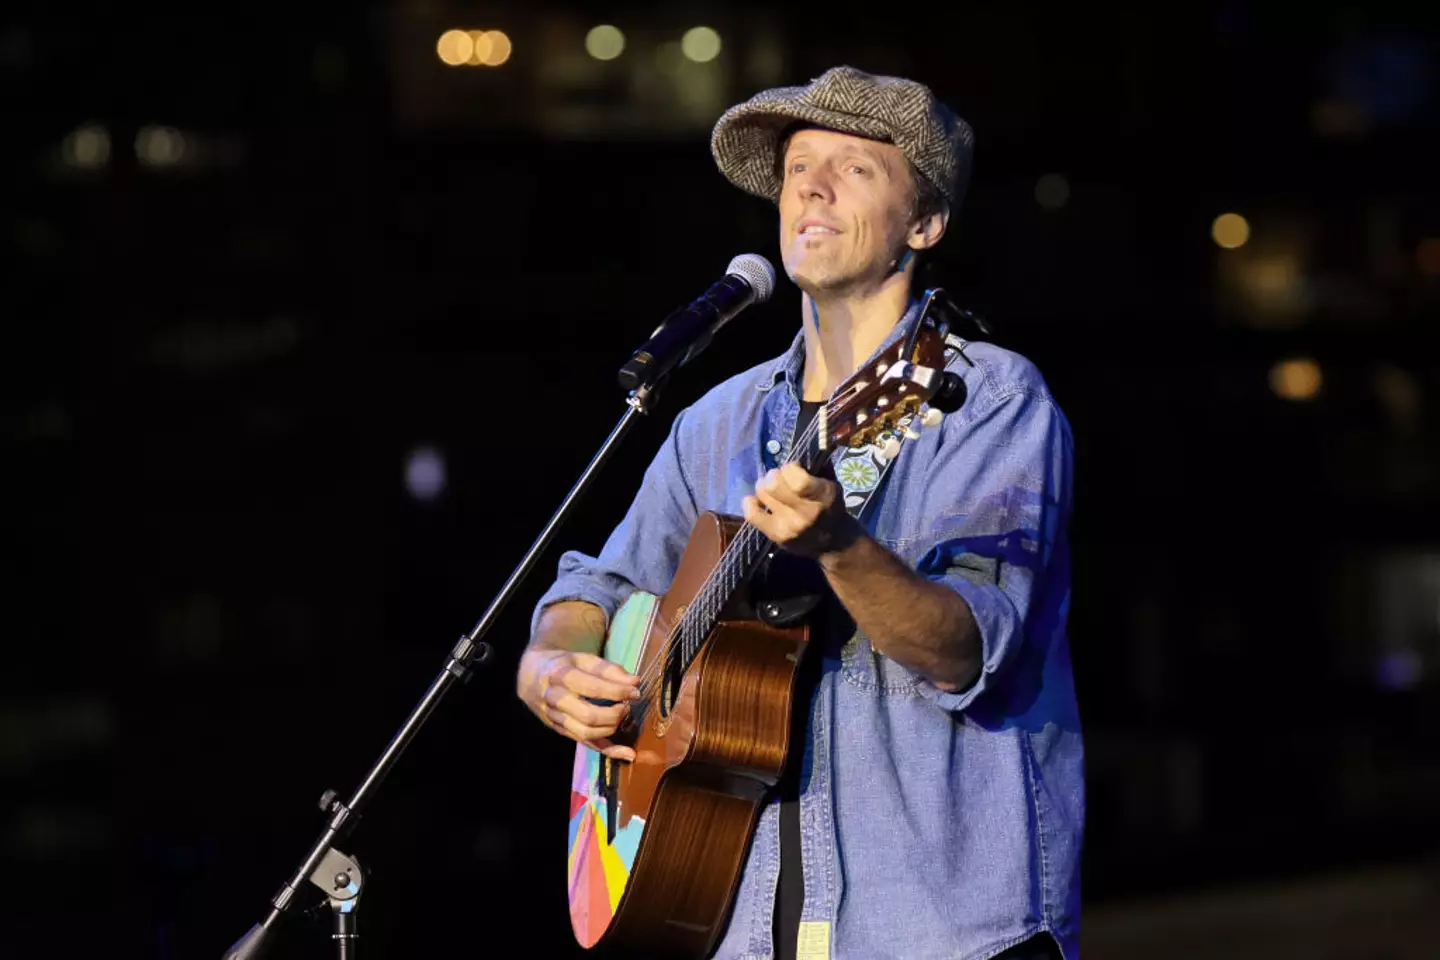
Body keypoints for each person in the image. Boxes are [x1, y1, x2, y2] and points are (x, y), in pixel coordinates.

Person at [515, 66, 1082, 960]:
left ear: (925, 223)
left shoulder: (987, 400)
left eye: (854, 169)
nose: (809, 187)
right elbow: (598, 583)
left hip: (935, 928)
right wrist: (552, 663)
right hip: (736, 922)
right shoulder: (718, 421)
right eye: (797, 168)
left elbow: (970, 647)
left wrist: (841, 547)